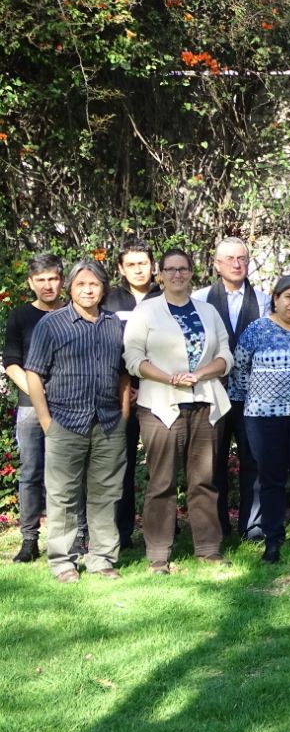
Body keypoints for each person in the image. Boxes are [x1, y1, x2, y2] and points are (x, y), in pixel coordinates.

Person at [123, 248, 233, 573]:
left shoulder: (208, 310)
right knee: (161, 482)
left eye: (182, 269)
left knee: (205, 480)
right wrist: (169, 377)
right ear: (160, 275)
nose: (177, 275)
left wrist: (199, 375)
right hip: (161, 406)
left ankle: (209, 550)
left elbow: (226, 354)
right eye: (170, 269)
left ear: (191, 273)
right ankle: (158, 554)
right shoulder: (146, 312)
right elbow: (133, 357)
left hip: (205, 403)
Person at [24, 259, 129, 583]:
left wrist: (124, 415)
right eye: (81, 284)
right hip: (65, 422)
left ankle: (101, 558)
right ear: (70, 288)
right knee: (62, 495)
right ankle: (63, 561)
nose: (88, 290)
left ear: (103, 289)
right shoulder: (51, 325)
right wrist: (46, 422)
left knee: (106, 494)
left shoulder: (115, 324)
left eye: (94, 284)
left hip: (109, 424)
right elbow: (33, 374)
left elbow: (124, 375)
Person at [230, 275, 290, 562]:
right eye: (289, 297)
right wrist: (264, 396)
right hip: (264, 417)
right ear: (276, 297)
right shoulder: (257, 330)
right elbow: (239, 370)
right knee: (270, 479)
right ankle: (273, 540)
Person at [4, 253, 83, 564]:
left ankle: (73, 537)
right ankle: (28, 541)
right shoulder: (20, 316)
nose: (48, 285)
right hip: (29, 410)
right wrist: (39, 393)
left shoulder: (73, 313)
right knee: (32, 474)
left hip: (70, 407)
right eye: (41, 280)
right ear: (31, 283)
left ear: (62, 280)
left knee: (70, 475)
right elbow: (12, 364)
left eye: (53, 278)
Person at [193, 236, 269, 540]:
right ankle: (215, 527)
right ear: (216, 265)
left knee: (255, 459)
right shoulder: (199, 300)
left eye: (242, 258)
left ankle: (253, 526)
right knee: (211, 461)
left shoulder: (264, 301)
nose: (237, 264)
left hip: (254, 394)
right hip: (211, 391)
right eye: (229, 259)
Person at [103, 239, 161, 549]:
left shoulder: (166, 297)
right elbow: (104, 347)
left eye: (143, 263)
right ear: (121, 269)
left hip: (161, 393)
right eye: (132, 264)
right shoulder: (110, 302)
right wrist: (124, 386)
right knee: (120, 465)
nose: (139, 269)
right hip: (121, 395)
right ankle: (121, 533)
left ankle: (162, 530)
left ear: (153, 265)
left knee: (161, 465)